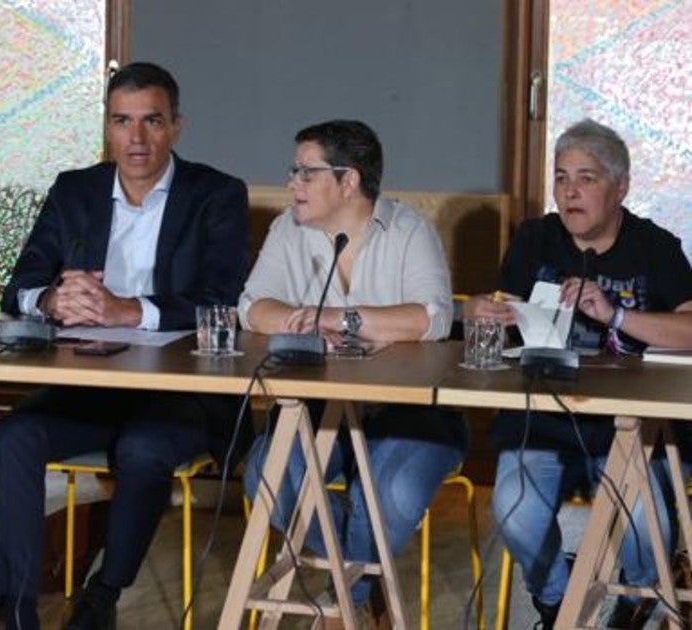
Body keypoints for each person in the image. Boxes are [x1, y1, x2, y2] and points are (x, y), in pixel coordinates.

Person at [0, 62, 249, 630]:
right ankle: (20, 606)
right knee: (15, 435)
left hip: (181, 395)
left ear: (176, 126)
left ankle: (103, 595)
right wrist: (52, 301)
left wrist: (131, 310)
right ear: (107, 128)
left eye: (152, 121)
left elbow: (223, 300)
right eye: (122, 122)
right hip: (90, 387)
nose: (136, 138)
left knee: (144, 449)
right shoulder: (74, 190)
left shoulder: (217, 194)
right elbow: (19, 288)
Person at [239, 120, 468, 622]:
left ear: (348, 181)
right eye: (293, 170)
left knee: (389, 494)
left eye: (306, 172)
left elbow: (433, 318)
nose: (291, 183)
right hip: (318, 410)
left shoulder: (409, 231)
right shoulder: (288, 230)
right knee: (266, 476)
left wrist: (340, 318)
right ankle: (364, 575)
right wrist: (297, 320)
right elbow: (252, 306)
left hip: (409, 412)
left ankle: (351, 604)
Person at [467, 119, 692, 627]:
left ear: (621, 188)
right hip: (543, 419)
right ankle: (557, 603)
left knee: (642, 522)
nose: (570, 191)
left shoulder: (655, 246)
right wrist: (482, 312)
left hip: (632, 427)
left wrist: (616, 316)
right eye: (561, 177)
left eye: (586, 178)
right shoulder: (535, 238)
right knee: (511, 508)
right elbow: (505, 313)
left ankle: (635, 600)